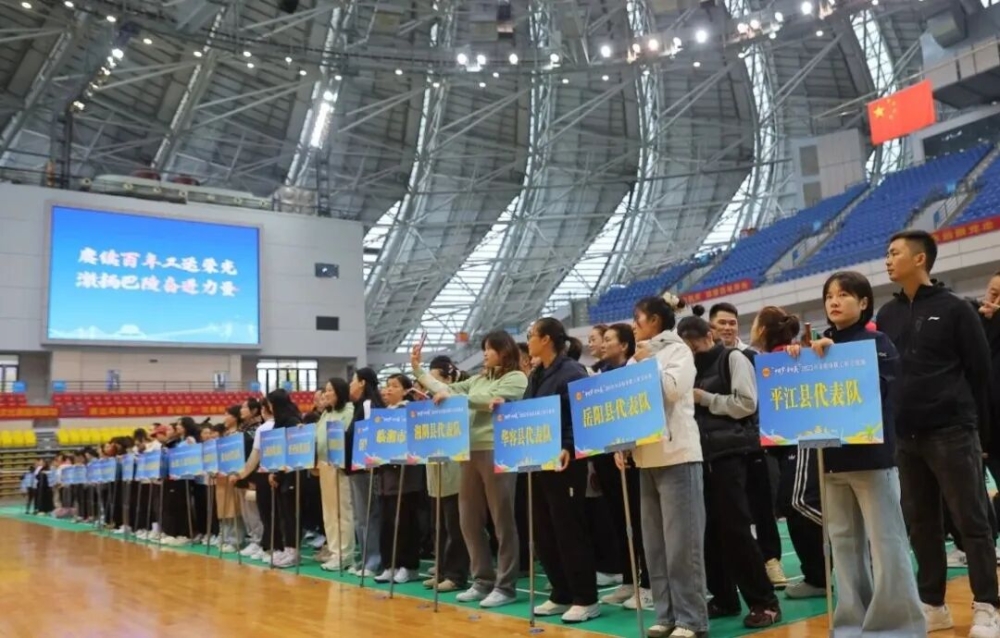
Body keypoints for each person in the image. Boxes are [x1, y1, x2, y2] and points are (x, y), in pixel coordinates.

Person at [784, 270, 925, 635]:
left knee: (887, 543)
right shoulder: (815, 347)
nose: (834, 301)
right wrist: (796, 363)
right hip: (830, 461)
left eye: (844, 294)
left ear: (863, 303)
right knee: (843, 546)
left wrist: (835, 359)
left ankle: (897, 626)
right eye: (829, 295)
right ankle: (850, 623)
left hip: (872, 460)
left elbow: (884, 392)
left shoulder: (877, 342)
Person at [878, 230, 998, 635]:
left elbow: (980, 372)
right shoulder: (888, 314)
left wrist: (979, 433)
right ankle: (933, 603)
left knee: (972, 521)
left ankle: (987, 605)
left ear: (920, 259)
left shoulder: (956, 309)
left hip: (952, 431)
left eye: (894, 253)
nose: (887, 260)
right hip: (905, 437)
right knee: (921, 524)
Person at [676, 315, 781, 626]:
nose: (692, 352)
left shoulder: (733, 358)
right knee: (707, 532)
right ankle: (724, 598)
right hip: (698, 456)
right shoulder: (686, 368)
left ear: (708, 337)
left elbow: (747, 403)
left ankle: (764, 602)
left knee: (736, 530)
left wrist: (706, 399)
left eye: (695, 345)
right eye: (686, 348)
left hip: (732, 455)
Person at [412, 330, 528, 609]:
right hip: (469, 451)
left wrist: (454, 398)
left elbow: (491, 400)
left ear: (504, 351)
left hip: (497, 450)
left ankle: (506, 586)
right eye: (484, 348)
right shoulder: (477, 380)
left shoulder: (516, 377)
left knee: (502, 520)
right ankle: (482, 579)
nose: (485, 353)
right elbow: (447, 389)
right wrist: (417, 369)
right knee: (468, 519)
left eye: (490, 348)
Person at [618, 292, 709, 638]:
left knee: (682, 545)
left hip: (678, 457)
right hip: (646, 460)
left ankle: (691, 620)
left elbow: (671, 390)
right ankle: (666, 614)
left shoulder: (678, 351)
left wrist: (647, 364)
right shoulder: (636, 358)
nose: (633, 325)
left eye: (637, 319)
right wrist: (623, 443)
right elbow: (629, 405)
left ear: (654, 321)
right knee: (654, 546)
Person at [520, 317, 599, 623]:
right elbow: (529, 412)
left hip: (565, 462)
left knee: (569, 530)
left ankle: (585, 598)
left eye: (532, 335)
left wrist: (567, 444)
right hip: (539, 461)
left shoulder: (572, 372)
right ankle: (561, 592)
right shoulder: (537, 374)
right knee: (544, 531)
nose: (528, 340)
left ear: (546, 339)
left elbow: (582, 414)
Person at [750, 306, 826, 600]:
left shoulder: (789, 357)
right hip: (783, 446)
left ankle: (827, 567)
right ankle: (816, 576)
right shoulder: (768, 359)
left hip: (801, 440)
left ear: (762, 329)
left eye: (754, 323)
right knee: (790, 505)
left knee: (797, 502)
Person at [711, 301, 786, 585]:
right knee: (732, 513)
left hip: (754, 443)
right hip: (720, 449)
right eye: (722, 323)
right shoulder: (704, 361)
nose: (728, 327)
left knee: (762, 506)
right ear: (711, 327)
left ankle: (772, 561)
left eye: (732, 322)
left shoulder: (751, 357)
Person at [373, 373, 425, 584]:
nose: (388, 389)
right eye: (387, 385)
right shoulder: (383, 414)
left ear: (405, 391)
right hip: (385, 478)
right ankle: (390, 564)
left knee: (404, 523)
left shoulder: (410, 412)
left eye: (394, 386)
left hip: (406, 478)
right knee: (387, 523)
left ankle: (408, 566)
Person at [347, 367, 385, 577]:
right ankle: (365, 559)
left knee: (369, 515)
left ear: (362, 383)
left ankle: (373, 561)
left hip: (366, 468)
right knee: (360, 517)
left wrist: (370, 462)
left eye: (353, 380)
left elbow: (371, 432)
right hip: (355, 468)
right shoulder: (357, 406)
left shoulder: (368, 404)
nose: (350, 384)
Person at [317, 377, 355, 571]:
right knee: (329, 512)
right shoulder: (326, 413)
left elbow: (345, 437)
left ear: (340, 391)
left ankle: (345, 554)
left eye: (330, 390)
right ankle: (334, 552)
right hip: (324, 465)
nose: (326, 394)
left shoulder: (348, 411)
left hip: (340, 466)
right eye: (325, 390)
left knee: (343, 511)